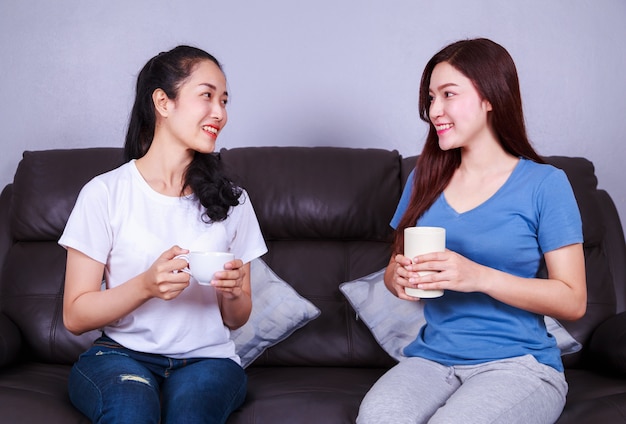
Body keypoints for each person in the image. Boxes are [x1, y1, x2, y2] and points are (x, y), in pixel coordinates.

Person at [357, 38, 586, 424]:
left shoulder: (546, 184)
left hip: (519, 364)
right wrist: (394, 278)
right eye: (431, 97)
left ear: (490, 97)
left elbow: (573, 300)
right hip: (431, 360)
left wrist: (476, 276)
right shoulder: (422, 179)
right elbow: (398, 270)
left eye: (449, 94)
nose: (435, 111)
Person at [59, 45, 267, 424]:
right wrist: (145, 286)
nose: (219, 113)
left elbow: (236, 319)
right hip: (120, 355)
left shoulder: (233, 201)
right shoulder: (105, 193)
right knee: (131, 412)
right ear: (163, 102)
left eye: (224, 100)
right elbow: (74, 315)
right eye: (206, 96)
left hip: (210, 360)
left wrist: (234, 291)